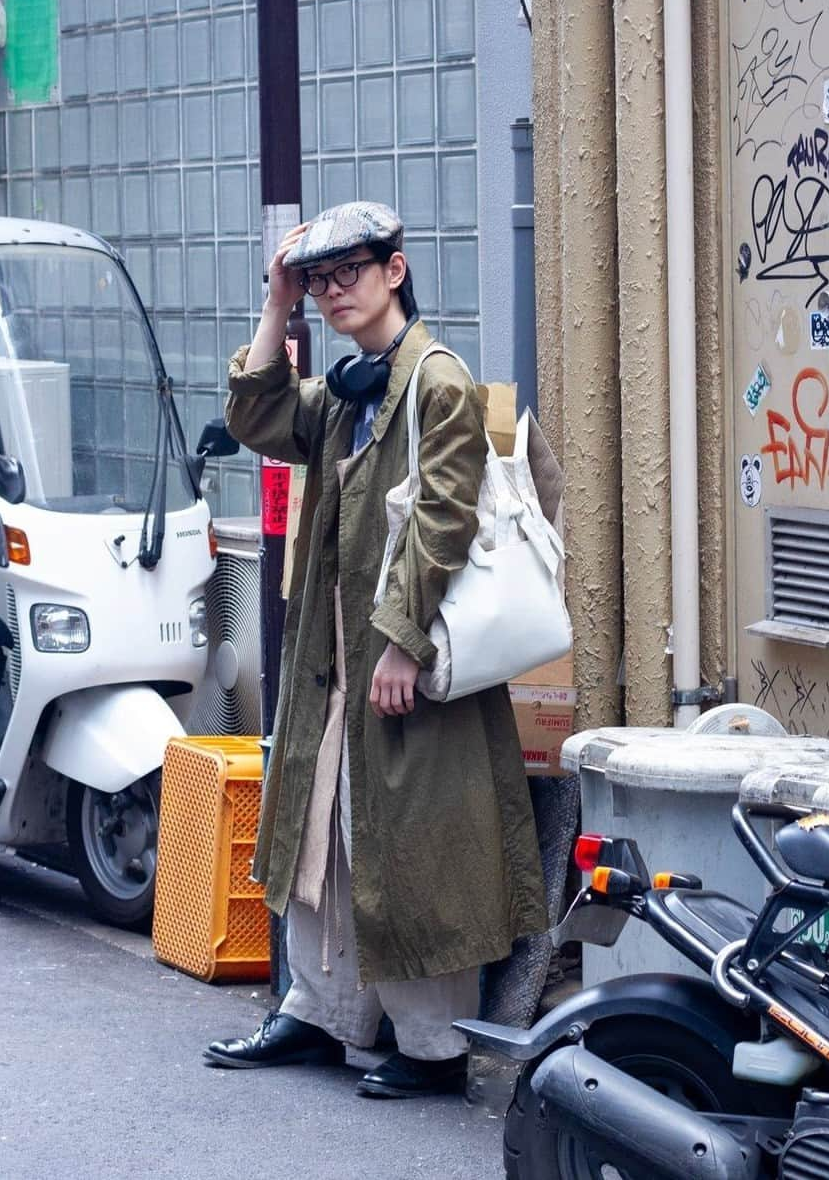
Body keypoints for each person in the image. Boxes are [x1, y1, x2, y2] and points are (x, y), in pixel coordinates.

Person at [203, 201, 546, 1099]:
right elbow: (259, 417)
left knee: (418, 845)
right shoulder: (351, 390)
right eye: (317, 280)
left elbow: (444, 515)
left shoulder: (437, 380)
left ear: (396, 269)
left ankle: (433, 1047)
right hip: (335, 660)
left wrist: (400, 643)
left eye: (346, 272)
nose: (330, 293)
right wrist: (274, 306)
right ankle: (321, 1016)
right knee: (330, 832)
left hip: (405, 660)